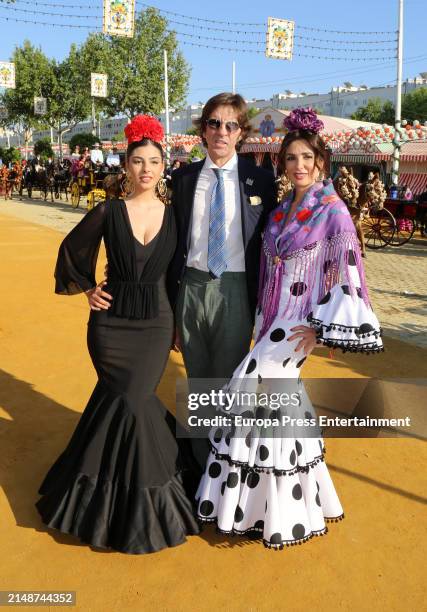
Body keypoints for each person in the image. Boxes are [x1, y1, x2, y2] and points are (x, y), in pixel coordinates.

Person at [195, 108, 384, 550]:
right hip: (269, 318)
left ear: (321, 162)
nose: (299, 165)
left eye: (307, 158)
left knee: (253, 386)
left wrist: (321, 330)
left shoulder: (333, 212)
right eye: (292, 158)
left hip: (298, 323)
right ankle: (280, 508)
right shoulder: (281, 211)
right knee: (275, 404)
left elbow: (346, 273)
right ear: (284, 163)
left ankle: (264, 505)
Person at [36, 114, 200, 555]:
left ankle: (111, 492)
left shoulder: (177, 216)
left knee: (133, 399)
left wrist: (180, 327)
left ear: (163, 166)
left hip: (155, 323)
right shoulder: (108, 210)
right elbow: (70, 250)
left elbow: (176, 276)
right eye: (138, 161)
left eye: (153, 161)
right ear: (125, 166)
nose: (146, 169)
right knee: (129, 400)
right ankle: (146, 502)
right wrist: (89, 287)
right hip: (110, 327)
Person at [166, 92, 277, 471]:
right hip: (192, 288)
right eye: (214, 122)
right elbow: (169, 245)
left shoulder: (261, 179)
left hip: (236, 290)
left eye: (231, 125)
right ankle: (201, 472)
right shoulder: (181, 179)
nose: (221, 131)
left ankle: (226, 472)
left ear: (241, 133)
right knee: (198, 385)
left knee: (230, 385)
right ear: (202, 129)